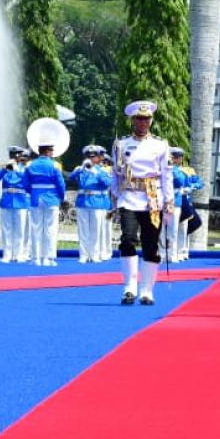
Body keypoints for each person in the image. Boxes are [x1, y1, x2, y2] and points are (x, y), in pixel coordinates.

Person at [111, 100, 174, 305]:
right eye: (139, 118)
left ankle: (147, 290)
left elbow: (167, 175)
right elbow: (115, 174)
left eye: (146, 118)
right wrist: (114, 197)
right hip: (129, 197)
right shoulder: (121, 144)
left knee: (151, 244)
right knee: (128, 239)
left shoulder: (160, 145)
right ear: (133, 120)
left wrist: (169, 200)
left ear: (151, 120)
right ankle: (129, 287)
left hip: (152, 199)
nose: (143, 122)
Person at [23, 143, 66, 267]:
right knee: (50, 229)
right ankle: (49, 258)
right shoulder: (55, 165)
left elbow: (25, 184)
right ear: (47, 152)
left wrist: (33, 192)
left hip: (35, 198)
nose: (52, 153)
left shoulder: (30, 165)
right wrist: (61, 197)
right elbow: (61, 185)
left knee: (35, 228)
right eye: (51, 151)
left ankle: (36, 258)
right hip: (51, 199)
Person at [68, 145, 113, 263]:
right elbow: (70, 178)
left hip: (97, 203)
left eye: (93, 156)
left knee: (96, 231)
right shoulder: (81, 169)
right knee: (83, 231)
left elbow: (109, 182)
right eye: (88, 156)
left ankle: (94, 254)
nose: (90, 158)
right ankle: (83, 255)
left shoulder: (101, 171)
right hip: (82, 202)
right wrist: (78, 170)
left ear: (98, 158)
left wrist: (96, 173)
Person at [0, 146, 30, 262]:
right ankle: (7, 254)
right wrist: (5, 168)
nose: (13, 158)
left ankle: (19, 254)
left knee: (20, 230)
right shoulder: (5, 168)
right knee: (6, 229)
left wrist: (17, 170)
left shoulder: (24, 169)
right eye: (12, 156)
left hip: (21, 202)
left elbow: (27, 181)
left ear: (20, 157)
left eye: (16, 156)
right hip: (6, 201)